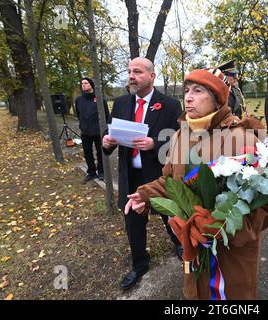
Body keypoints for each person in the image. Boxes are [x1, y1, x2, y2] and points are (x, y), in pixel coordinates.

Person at [124, 66, 268, 299]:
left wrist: (222, 226)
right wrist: (145, 194)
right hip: (193, 248)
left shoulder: (244, 137)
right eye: (186, 90)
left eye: (198, 91)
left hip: (231, 256)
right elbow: (170, 181)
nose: (188, 97)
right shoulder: (179, 136)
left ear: (217, 100)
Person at [102, 57, 183, 290]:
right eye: (129, 71)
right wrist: (107, 142)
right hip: (131, 177)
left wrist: (154, 144)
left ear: (152, 76)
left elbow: (179, 143)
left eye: (137, 71)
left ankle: (178, 243)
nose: (131, 76)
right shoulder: (120, 103)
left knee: (169, 214)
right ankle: (139, 264)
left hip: (159, 176)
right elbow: (112, 138)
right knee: (133, 223)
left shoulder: (169, 104)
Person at [75, 77, 109, 182]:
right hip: (85, 131)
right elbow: (78, 114)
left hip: (98, 131)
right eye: (82, 83)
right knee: (87, 152)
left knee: (100, 152)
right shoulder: (78, 100)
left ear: (91, 85)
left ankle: (101, 172)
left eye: (86, 83)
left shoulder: (100, 99)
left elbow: (106, 115)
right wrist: (82, 125)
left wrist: (105, 130)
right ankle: (91, 172)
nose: (83, 85)